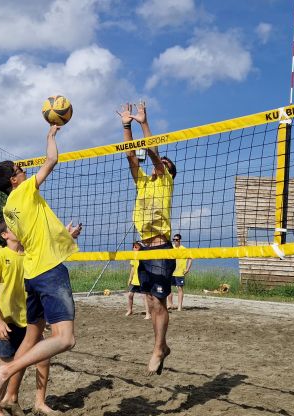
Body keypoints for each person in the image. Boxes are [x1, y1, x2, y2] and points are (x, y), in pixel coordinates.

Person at [0, 124, 83, 409]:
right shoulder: (26, 190)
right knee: (65, 339)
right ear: (14, 181)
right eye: (19, 170)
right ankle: (4, 371)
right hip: (49, 271)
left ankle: (11, 397)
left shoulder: (8, 210)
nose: (24, 171)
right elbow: (51, 160)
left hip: (33, 272)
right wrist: (51, 136)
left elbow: (32, 237)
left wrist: (63, 236)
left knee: (32, 337)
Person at [119, 101, 176, 375]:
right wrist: (127, 126)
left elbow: (153, 154)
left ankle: (157, 349)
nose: (157, 165)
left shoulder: (165, 181)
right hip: (144, 249)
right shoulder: (143, 183)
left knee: (160, 302)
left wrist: (144, 123)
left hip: (162, 247)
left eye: (163, 165)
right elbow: (132, 157)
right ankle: (161, 347)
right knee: (151, 303)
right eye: (157, 165)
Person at [0, 220, 53, 415]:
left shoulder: (31, 256)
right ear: (5, 235)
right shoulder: (0, 256)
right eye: (14, 227)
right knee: (7, 367)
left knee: (44, 357)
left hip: (29, 320)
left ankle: (39, 403)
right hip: (4, 321)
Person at [126, 241, 151, 318]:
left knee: (144, 296)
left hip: (142, 278)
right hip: (135, 279)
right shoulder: (133, 256)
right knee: (130, 295)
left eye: (136, 247)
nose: (134, 248)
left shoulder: (144, 256)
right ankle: (130, 310)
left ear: (140, 248)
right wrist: (130, 278)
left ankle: (148, 313)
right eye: (133, 247)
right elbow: (133, 268)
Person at [168, 233, 191, 311]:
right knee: (169, 288)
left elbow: (190, 258)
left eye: (176, 240)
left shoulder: (184, 249)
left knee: (180, 289)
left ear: (180, 240)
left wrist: (187, 269)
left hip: (180, 272)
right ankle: (170, 304)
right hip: (171, 272)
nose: (175, 241)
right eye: (174, 240)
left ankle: (179, 307)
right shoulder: (171, 248)